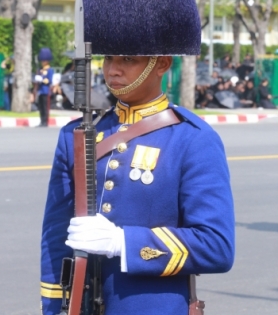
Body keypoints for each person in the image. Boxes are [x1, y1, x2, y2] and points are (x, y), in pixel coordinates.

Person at [41, 1, 235, 315]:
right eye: (108, 57)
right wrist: (53, 308)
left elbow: (216, 246)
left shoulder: (193, 139)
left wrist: (123, 243)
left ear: (162, 63)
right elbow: (54, 238)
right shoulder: (74, 137)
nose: (113, 69)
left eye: (128, 59)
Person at [35, 48, 54, 126]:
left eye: (44, 60)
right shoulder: (40, 69)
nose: (43, 62)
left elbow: (49, 80)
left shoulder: (50, 70)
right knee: (41, 107)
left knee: (45, 107)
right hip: (40, 91)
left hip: (46, 90)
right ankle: (41, 121)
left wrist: (42, 79)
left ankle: (45, 122)